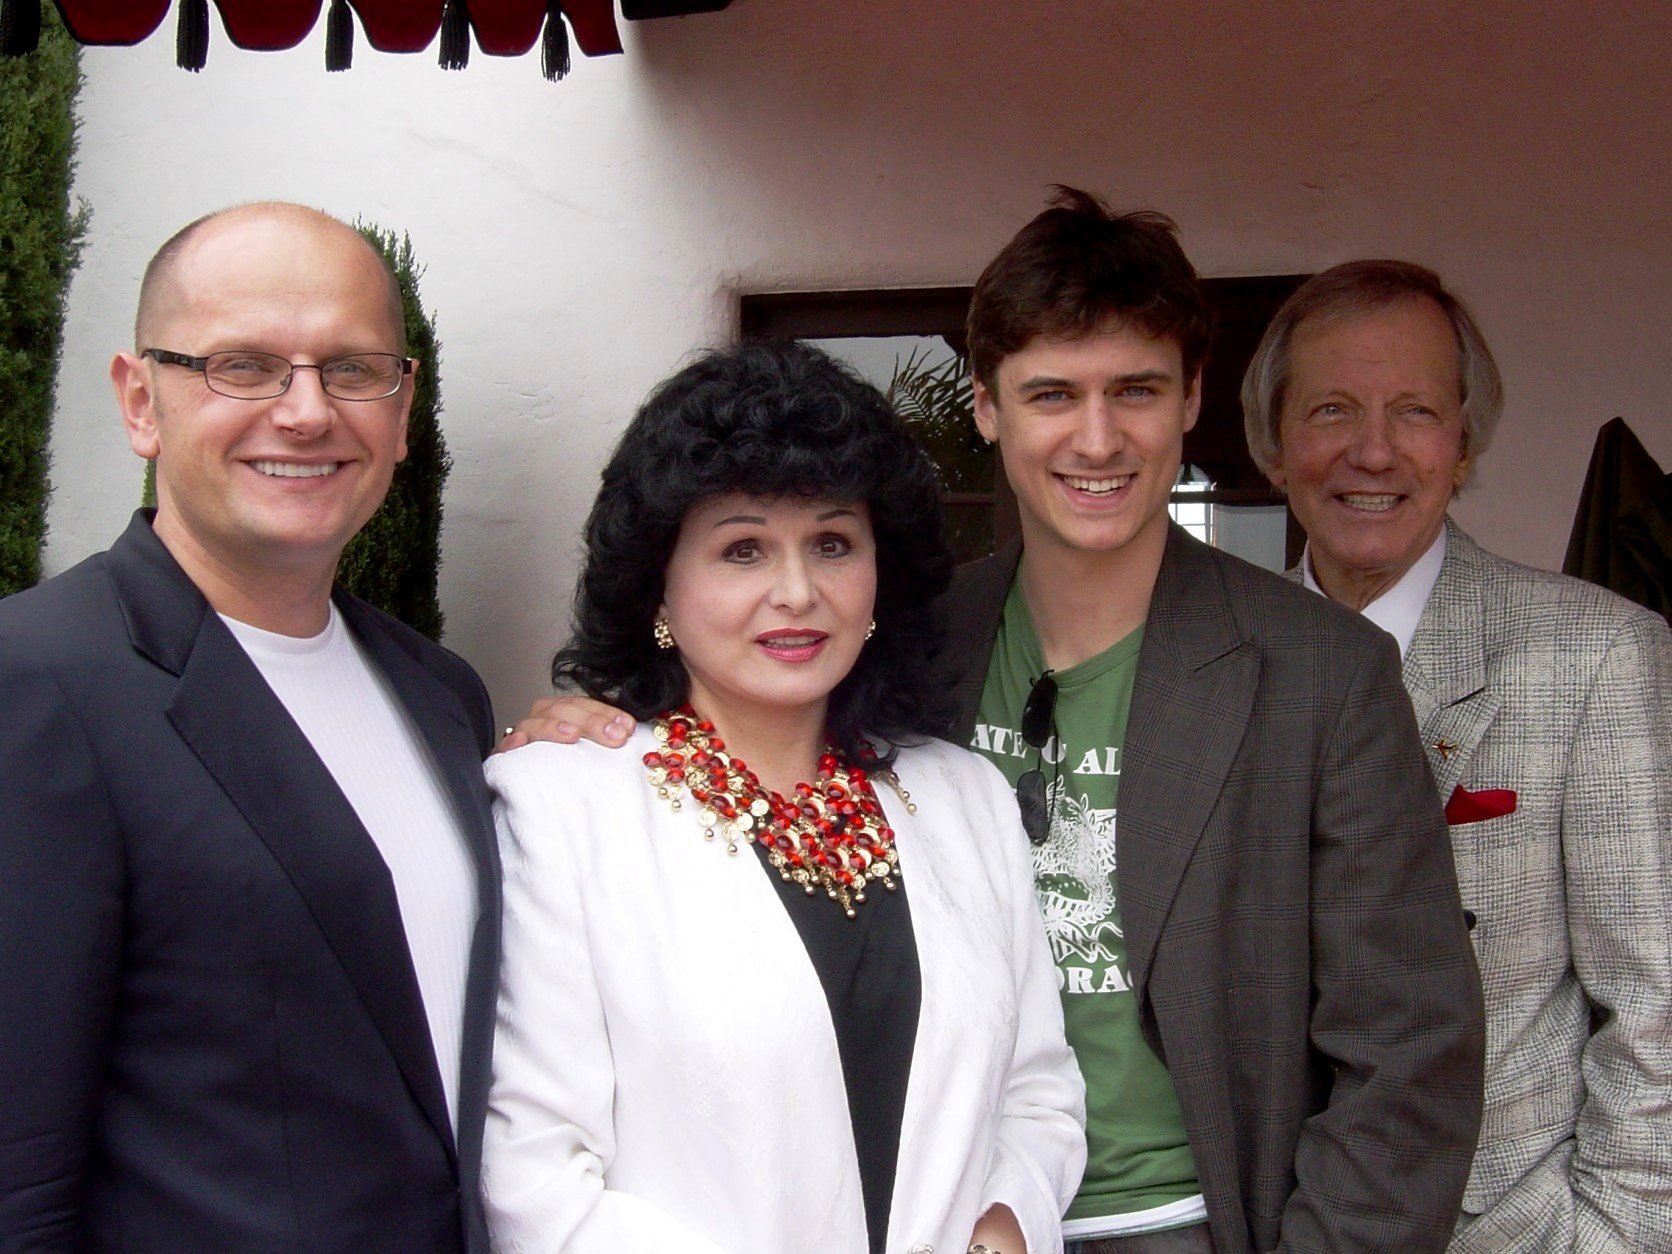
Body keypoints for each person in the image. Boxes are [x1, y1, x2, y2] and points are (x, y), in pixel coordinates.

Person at [506, 190, 1485, 1254]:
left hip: (1196, 1222)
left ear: (1193, 397)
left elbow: (1407, 1047)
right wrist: (607, 721)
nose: (1097, 437)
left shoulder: (1322, 672)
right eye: (1053, 392)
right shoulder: (919, 648)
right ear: (985, 405)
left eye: (1137, 391)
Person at [482, 340, 1085, 1254]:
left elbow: (1039, 1089)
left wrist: (1007, 1227)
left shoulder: (965, 797)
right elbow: (531, 1174)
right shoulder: (560, 808)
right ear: (659, 584)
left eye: (833, 543)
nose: (797, 592)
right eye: (743, 550)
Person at [0, 203, 501, 1250]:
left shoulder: (441, 695)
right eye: (244, 366)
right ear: (142, 401)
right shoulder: (35, 680)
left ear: (403, 411)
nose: (308, 412)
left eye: (353, 369)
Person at [1242, 259, 1672, 1252]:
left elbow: (1655, 1012)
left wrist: (1611, 1241)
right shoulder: (1212, 665)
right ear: (1272, 444)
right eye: (1332, 410)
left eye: (1416, 412)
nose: (1373, 451)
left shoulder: (1598, 655)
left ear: (1464, 442)